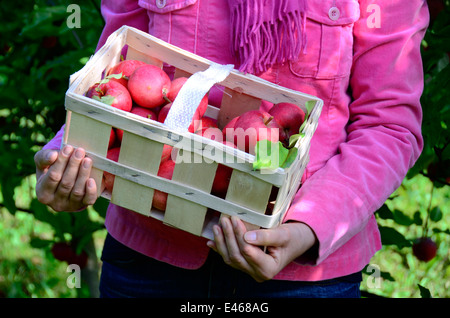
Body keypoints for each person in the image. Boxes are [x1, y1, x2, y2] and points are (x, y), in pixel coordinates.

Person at [34, 0, 429, 298]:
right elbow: (115, 71)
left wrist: (309, 227)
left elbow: (389, 124)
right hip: (151, 249)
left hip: (299, 274)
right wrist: (69, 156)